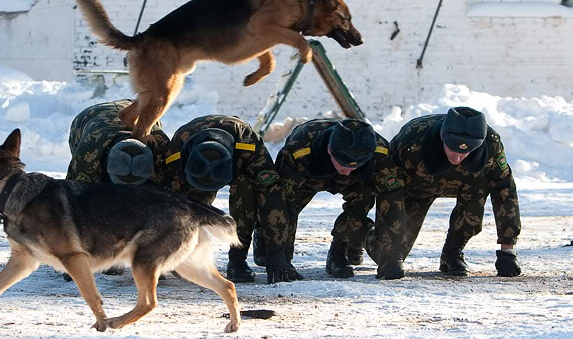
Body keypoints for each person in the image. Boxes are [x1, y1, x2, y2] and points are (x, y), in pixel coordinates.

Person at [366, 106, 522, 277]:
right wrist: (390, 255)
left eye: (465, 152)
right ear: (442, 137)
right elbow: (390, 192)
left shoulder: (491, 146)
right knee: (388, 255)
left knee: (480, 186)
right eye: (452, 148)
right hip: (416, 188)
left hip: (466, 185)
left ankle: (452, 253)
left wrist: (507, 249)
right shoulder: (411, 141)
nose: (457, 158)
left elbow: (505, 190)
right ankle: (363, 231)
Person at [161, 115, 293, 284]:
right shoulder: (176, 152)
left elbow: (272, 196)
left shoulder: (249, 146)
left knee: (246, 190)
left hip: (239, 164)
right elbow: (166, 207)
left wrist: (276, 252)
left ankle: (237, 259)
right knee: (186, 209)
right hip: (192, 173)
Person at [271, 118, 407, 279]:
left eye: (355, 165)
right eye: (343, 163)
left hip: (356, 183)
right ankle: (276, 250)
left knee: (364, 198)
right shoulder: (300, 149)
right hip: (308, 176)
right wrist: (279, 256)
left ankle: (339, 252)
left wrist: (392, 255)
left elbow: (392, 201)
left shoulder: (380, 152)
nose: (347, 171)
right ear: (329, 149)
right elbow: (282, 205)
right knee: (264, 256)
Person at [66, 99, 169, 276]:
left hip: (136, 109)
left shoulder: (160, 149)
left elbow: (168, 202)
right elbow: (71, 205)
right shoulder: (88, 155)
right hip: (88, 121)